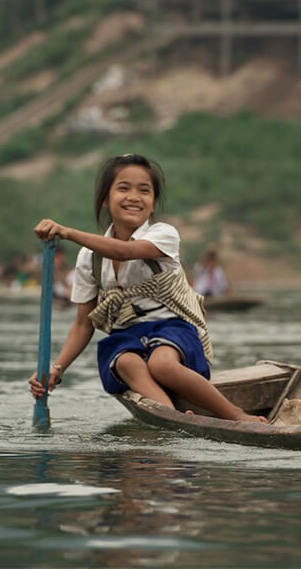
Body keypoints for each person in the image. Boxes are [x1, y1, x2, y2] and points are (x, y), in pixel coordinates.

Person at [27, 153, 266, 423]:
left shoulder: (163, 235)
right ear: (106, 199)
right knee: (128, 363)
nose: (134, 196)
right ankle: (174, 419)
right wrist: (56, 369)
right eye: (123, 188)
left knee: (161, 364)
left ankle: (235, 413)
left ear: (152, 204)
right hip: (126, 337)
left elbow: (127, 250)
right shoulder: (89, 258)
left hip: (172, 330)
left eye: (144, 190)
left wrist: (68, 233)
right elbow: (84, 323)